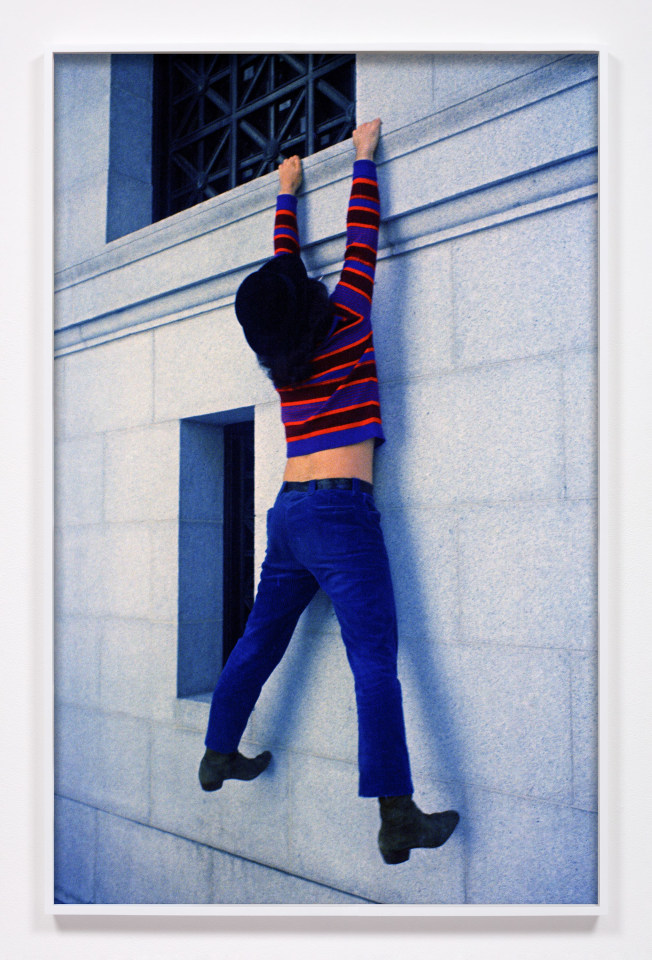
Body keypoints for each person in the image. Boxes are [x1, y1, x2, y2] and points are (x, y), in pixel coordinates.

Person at [198, 118, 459, 865]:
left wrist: (285, 191)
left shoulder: (282, 356)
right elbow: (361, 233)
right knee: (373, 662)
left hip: (289, 515)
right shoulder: (345, 314)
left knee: (258, 639)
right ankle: (396, 815)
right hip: (342, 512)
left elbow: (281, 278)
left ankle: (219, 752)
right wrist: (364, 155)